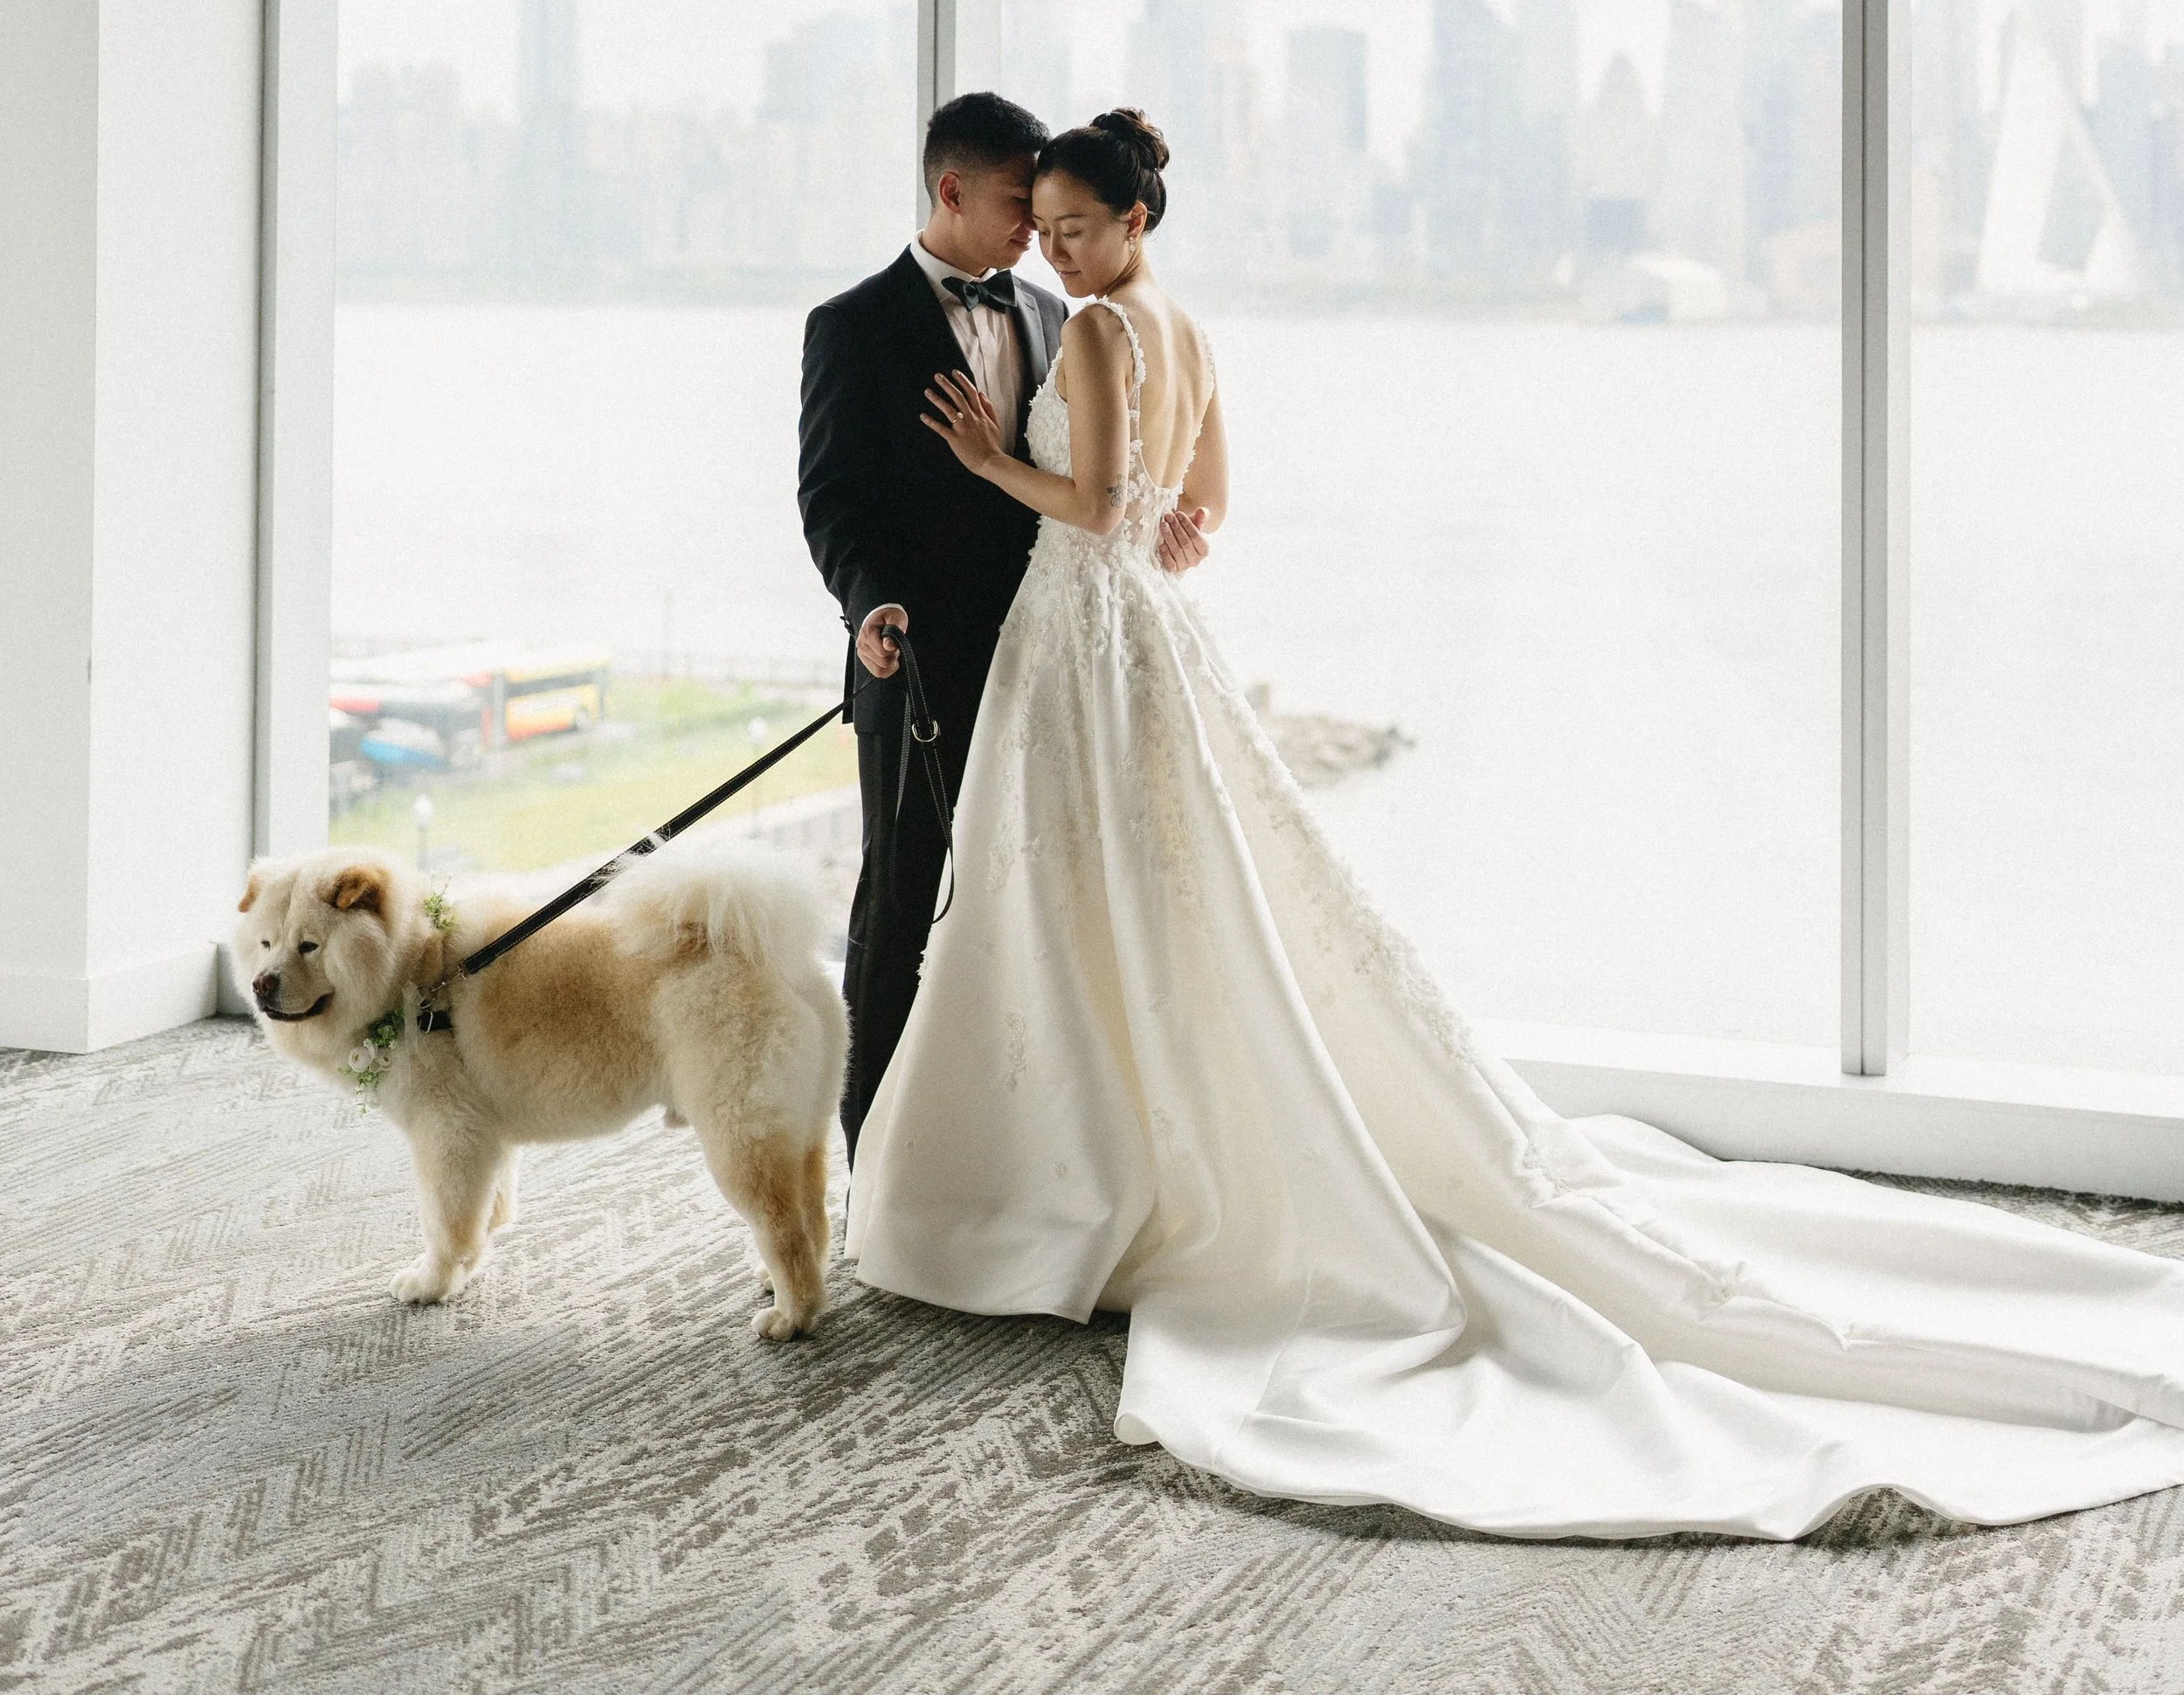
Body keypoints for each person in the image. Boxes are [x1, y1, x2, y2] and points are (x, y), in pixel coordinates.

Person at [846, 107, 2184, 1541]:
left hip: (1082, 633)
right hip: (1145, 637)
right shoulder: (1188, 330)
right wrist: (1159, 522)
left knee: (1078, 902)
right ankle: (1120, 1160)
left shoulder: (1106, 330)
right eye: (1042, 228)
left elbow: (1102, 509)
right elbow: (1201, 510)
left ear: (1133, 221)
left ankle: (1080, 1177)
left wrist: (989, 461)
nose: (1053, 252)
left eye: (1072, 229)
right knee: (1159, 903)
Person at [798, 91, 1068, 1159]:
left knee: (1028, 902)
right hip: (909, 663)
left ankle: (1001, 1137)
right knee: (898, 904)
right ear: (951, 189)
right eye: (1017, 202)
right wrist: (868, 606)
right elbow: (831, 501)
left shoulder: (1051, 313)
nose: (1034, 228)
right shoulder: (852, 325)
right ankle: (870, 1153)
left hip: (1043, 662)